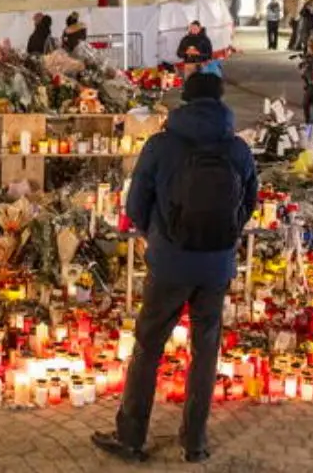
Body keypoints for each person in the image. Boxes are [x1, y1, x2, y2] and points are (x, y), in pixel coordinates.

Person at [91, 72, 258, 464]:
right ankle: (195, 443)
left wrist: (157, 234)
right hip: (216, 267)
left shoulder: (162, 144)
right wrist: (225, 235)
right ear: (221, 102)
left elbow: (135, 207)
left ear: (185, 100)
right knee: (205, 350)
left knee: (149, 347)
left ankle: (131, 437)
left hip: (169, 264)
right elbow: (249, 202)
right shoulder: (237, 149)